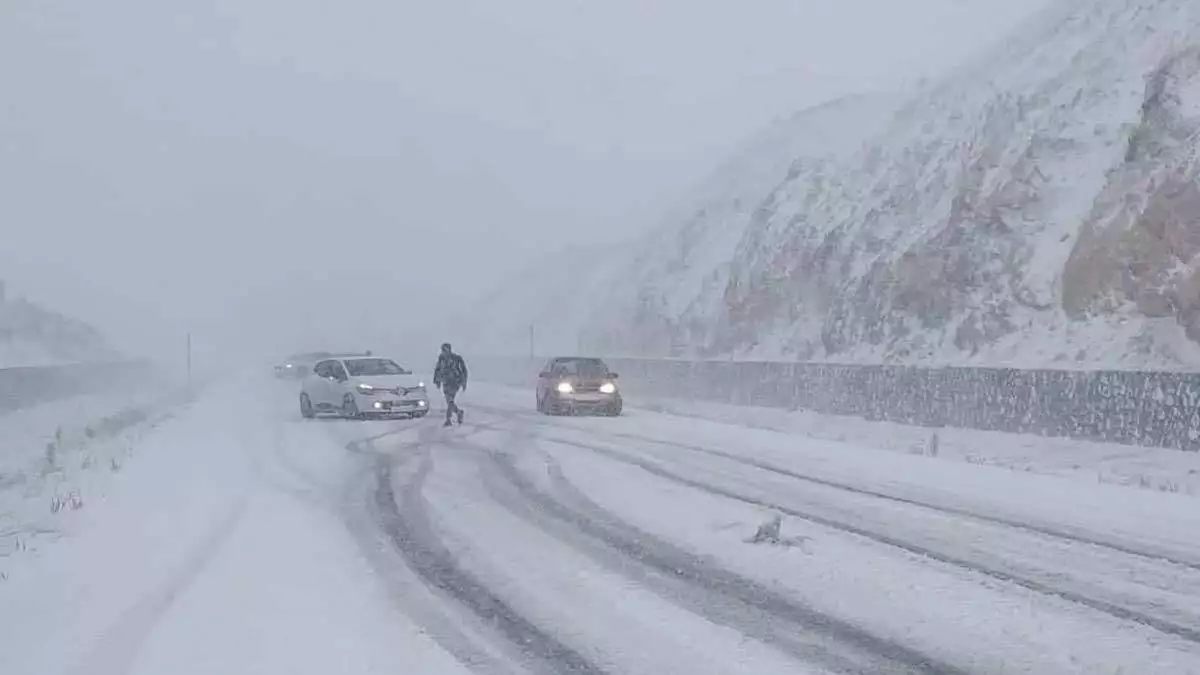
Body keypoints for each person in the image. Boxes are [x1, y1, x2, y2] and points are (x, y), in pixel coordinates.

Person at [433, 342, 468, 426]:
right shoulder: (441, 359)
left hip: (455, 382)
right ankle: (459, 412)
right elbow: (437, 369)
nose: (444, 352)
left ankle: (448, 420)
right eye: (443, 350)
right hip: (445, 382)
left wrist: (464, 382)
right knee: (449, 401)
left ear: (449, 350)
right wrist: (437, 381)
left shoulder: (457, 358)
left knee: (450, 400)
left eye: (446, 350)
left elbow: (464, 370)